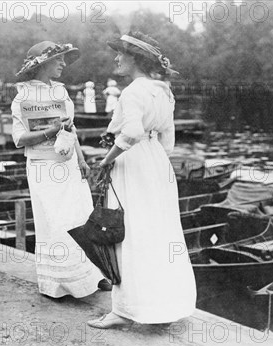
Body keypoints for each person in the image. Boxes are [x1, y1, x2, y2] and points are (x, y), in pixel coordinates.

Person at [87, 31, 197, 329]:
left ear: (135, 58)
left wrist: (106, 161)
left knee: (129, 232)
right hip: (156, 163)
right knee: (158, 232)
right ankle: (163, 306)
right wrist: (153, 160)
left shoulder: (133, 91)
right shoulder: (163, 91)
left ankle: (123, 311)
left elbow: (132, 133)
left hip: (132, 163)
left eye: (121, 54)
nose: (116, 58)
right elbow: (168, 142)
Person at [11, 41, 110, 298]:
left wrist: (82, 159)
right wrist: (49, 130)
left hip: (67, 164)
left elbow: (71, 129)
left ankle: (91, 275)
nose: (64, 64)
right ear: (43, 64)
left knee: (81, 215)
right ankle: (60, 283)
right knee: (56, 221)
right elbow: (20, 138)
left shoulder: (62, 93)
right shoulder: (24, 96)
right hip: (44, 166)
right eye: (59, 60)